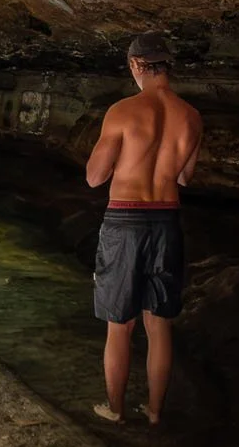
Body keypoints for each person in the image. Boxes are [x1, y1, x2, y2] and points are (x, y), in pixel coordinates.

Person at [85, 33, 202, 426]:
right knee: (159, 322)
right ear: (167, 66)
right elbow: (185, 177)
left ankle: (115, 410)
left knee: (120, 324)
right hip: (167, 220)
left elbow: (94, 177)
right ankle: (154, 412)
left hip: (125, 220)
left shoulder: (122, 111)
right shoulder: (191, 116)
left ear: (136, 65)